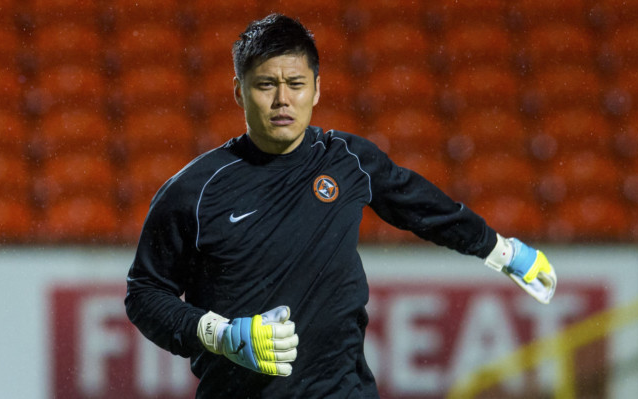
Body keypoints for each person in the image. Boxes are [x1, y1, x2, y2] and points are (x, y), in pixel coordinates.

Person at [125, 13, 557, 398]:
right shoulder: (193, 191)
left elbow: (425, 209)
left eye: (295, 84)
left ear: (316, 90)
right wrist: (218, 335)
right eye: (265, 85)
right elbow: (144, 293)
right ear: (239, 92)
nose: (282, 101)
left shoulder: (348, 161)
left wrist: (503, 253)